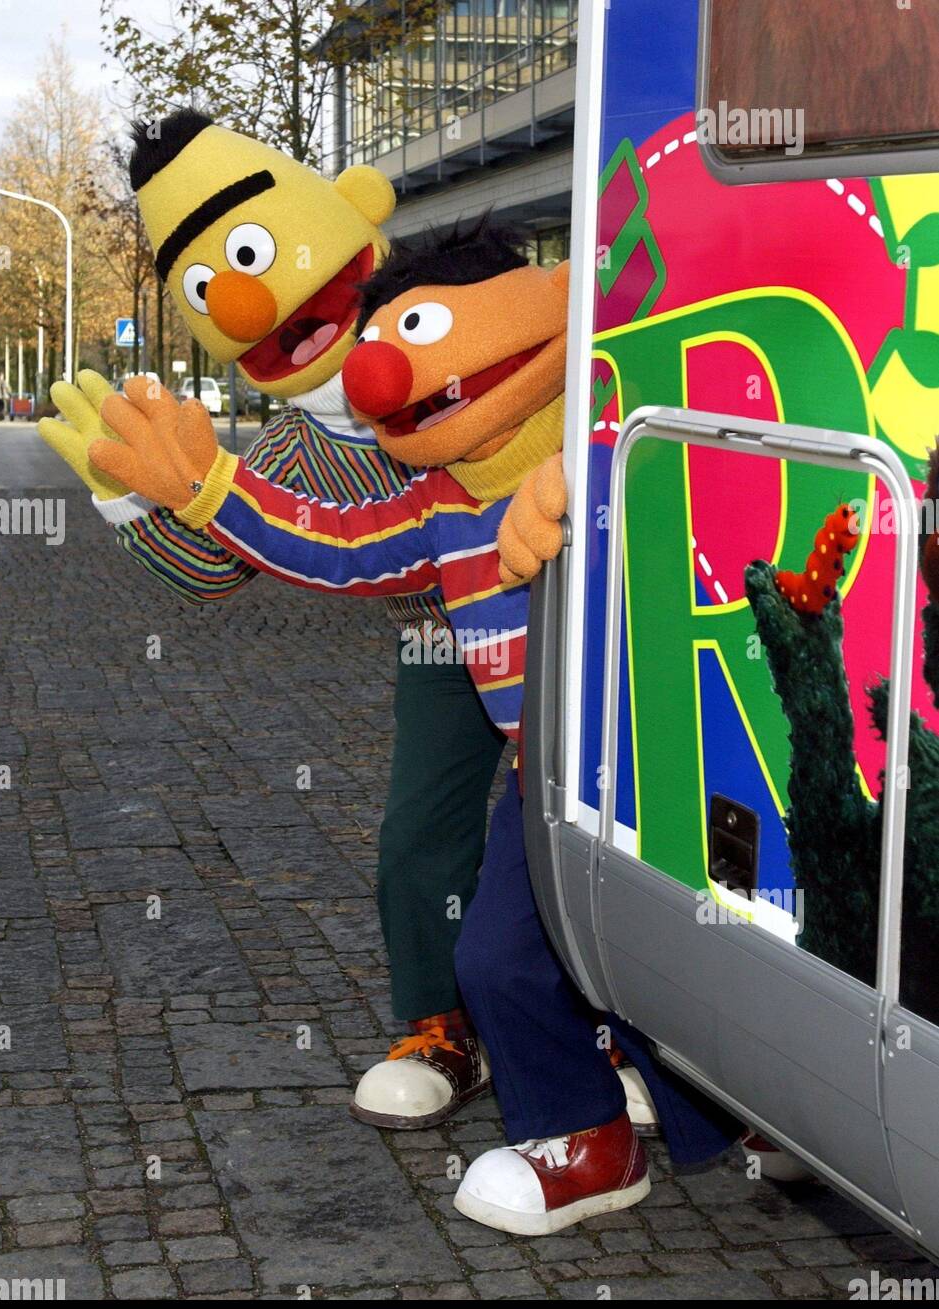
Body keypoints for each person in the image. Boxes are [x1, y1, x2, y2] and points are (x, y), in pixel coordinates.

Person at [81, 222, 745, 1232]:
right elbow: (335, 545)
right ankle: (587, 1134)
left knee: (686, 944)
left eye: (420, 332)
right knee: (514, 954)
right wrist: (210, 487)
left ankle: (742, 1107)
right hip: (551, 769)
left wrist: (581, 482)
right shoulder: (438, 501)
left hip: (679, 742)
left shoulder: (613, 427)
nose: (385, 376)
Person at [37, 112, 508, 1130]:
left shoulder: (444, 303)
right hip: (449, 632)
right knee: (419, 834)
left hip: (580, 600)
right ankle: (438, 1025)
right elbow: (217, 566)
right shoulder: (294, 449)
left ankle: (644, 1038)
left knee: (589, 823)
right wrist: (133, 500)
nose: (256, 302)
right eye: (217, 289)